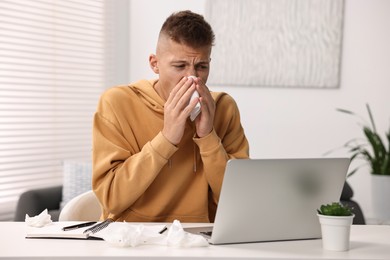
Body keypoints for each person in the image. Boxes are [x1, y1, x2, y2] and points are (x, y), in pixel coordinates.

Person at [92, 10, 249, 223]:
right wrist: (166, 139)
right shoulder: (117, 103)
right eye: (180, 66)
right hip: (133, 238)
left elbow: (240, 201)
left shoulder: (223, 107)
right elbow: (111, 199)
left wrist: (208, 137)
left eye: (201, 66)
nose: (192, 77)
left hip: (201, 239)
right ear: (154, 63)